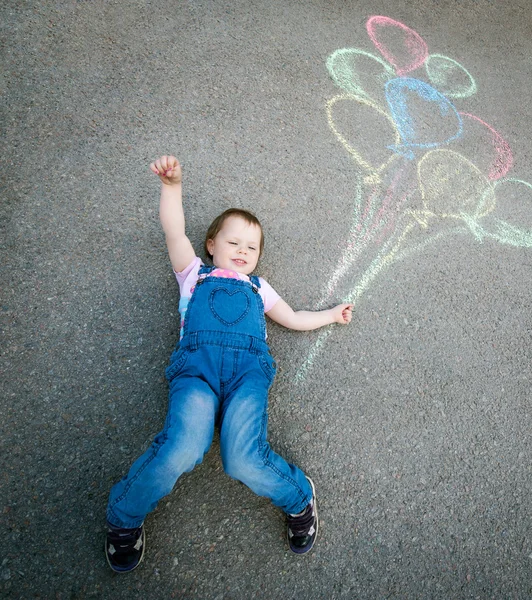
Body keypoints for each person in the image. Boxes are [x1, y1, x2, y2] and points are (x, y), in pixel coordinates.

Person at [105, 155, 353, 572]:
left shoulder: (260, 288)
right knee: (182, 445)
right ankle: (123, 517)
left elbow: (291, 318)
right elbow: (174, 231)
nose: (242, 251)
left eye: (251, 247)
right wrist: (172, 187)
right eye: (233, 242)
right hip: (196, 374)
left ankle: (298, 497)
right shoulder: (194, 275)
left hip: (246, 376)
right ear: (211, 245)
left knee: (243, 458)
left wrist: (329, 315)